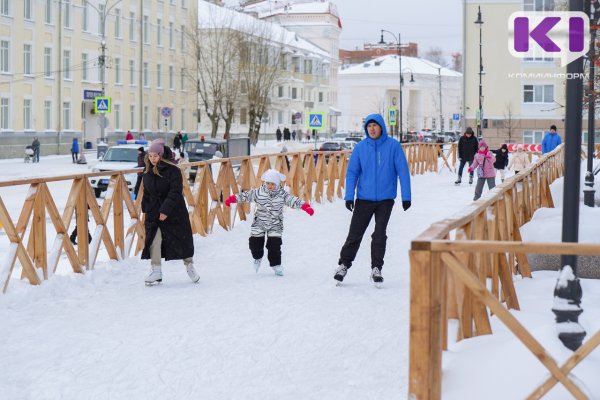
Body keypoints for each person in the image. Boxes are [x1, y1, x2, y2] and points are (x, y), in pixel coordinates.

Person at [334, 113, 412, 286]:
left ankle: (376, 268)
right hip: (364, 198)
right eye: (369, 126)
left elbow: (403, 172)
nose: (372, 129)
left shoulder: (393, 146)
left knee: (379, 234)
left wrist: (406, 197)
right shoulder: (361, 148)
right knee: (355, 234)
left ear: (381, 127)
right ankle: (343, 264)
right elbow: (352, 173)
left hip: (385, 199)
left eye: (375, 125)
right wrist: (349, 196)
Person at [223, 169, 314, 277]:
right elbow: (246, 195)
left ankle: (276, 265)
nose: (269, 186)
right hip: (259, 223)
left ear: (277, 184)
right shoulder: (259, 192)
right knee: (254, 244)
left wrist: (305, 206)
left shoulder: (282, 194)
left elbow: (293, 200)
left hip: (275, 224)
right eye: (268, 183)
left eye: (272, 184)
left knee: (274, 246)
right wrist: (233, 198)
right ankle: (257, 257)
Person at [141, 139, 199, 285]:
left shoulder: (173, 170)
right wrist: (145, 208)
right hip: (154, 212)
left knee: (182, 239)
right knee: (154, 239)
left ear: (161, 155)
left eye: (155, 155)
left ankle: (190, 266)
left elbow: (175, 192)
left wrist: (165, 210)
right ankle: (156, 271)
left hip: (174, 212)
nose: (152, 158)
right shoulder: (146, 171)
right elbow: (146, 192)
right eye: (150, 155)